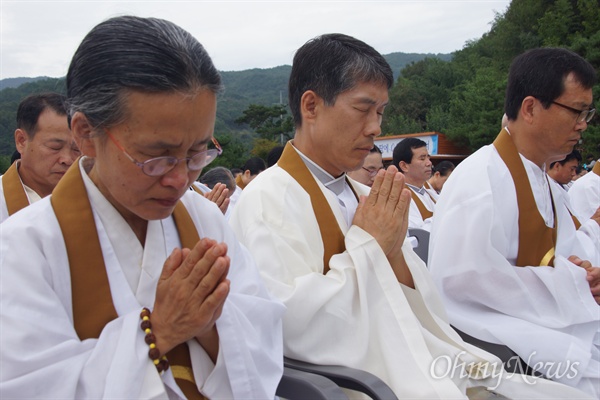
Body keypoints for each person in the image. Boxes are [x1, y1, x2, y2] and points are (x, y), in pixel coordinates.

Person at [229, 34, 588, 399]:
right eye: (363, 109)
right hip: (366, 381)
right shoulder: (266, 199)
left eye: (380, 112)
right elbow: (292, 327)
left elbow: (429, 305)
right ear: (311, 106)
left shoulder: (370, 196)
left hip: (427, 356)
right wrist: (370, 245)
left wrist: (394, 253)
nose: (375, 128)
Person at [0, 16, 284, 400]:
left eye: (197, 153)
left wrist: (209, 324)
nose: (180, 179)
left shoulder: (203, 219)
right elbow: (30, 386)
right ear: (85, 134)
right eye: (157, 156)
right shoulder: (22, 249)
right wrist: (161, 330)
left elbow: (262, 335)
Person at [429, 47, 600, 397]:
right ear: (531, 108)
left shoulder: (545, 180)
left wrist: (581, 270)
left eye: (588, 113)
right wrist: (572, 282)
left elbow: (560, 254)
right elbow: (465, 284)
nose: (583, 123)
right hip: (497, 338)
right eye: (576, 111)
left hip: (546, 320)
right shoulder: (481, 181)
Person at [0, 92, 80, 222]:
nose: (67, 159)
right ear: (21, 141)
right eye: (55, 147)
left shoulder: (92, 201)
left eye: (76, 149)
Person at [392, 138, 436, 230]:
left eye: (428, 157)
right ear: (404, 166)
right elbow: (416, 233)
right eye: (422, 158)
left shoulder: (430, 192)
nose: (429, 163)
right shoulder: (399, 197)